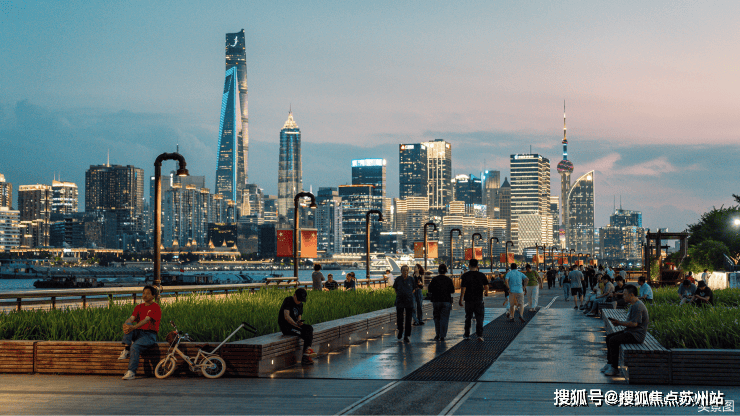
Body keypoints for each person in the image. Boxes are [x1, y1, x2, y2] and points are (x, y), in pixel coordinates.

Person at [602, 285, 649, 376]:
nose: (623, 296)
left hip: (636, 336)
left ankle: (614, 368)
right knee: (609, 337)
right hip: (631, 332)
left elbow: (634, 324)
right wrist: (618, 322)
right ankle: (609, 363)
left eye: (625, 294)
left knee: (613, 340)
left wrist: (619, 323)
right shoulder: (633, 305)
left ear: (631, 294)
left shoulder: (638, 306)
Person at [119, 285, 162, 380]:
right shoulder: (139, 307)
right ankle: (126, 349)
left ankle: (131, 372)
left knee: (135, 347)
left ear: (153, 296)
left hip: (149, 335)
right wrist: (126, 324)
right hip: (139, 333)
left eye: (148, 294)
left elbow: (146, 320)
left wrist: (133, 327)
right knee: (128, 324)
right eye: (143, 293)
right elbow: (131, 318)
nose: (144, 295)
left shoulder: (155, 307)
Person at [278, 288, 316, 365]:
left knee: (309, 328)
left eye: (301, 300)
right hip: (287, 327)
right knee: (305, 333)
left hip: (295, 326)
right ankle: (306, 355)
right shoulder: (288, 300)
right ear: (294, 295)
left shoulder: (300, 304)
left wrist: (299, 322)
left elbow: (299, 317)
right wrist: (296, 325)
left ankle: (307, 351)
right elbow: (286, 316)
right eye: (298, 300)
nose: (299, 302)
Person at [459, 259, 489, 341]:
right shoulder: (481, 275)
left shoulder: (465, 275)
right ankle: (479, 335)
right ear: (477, 266)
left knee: (468, 317)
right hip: (479, 300)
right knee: (479, 318)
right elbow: (486, 286)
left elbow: (463, 289)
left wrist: (460, 299)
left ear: (469, 266)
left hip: (468, 300)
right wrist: (486, 292)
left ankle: (467, 334)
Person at [428, 264, 455, 341]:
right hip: (446, 301)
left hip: (436, 301)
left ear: (438, 270)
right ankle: (442, 335)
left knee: (437, 318)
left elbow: (429, 290)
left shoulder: (434, 279)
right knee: (444, 319)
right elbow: (452, 291)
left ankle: (437, 334)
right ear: (446, 271)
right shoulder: (448, 280)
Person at [393, 265, 415, 342]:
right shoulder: (398, 279)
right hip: (400, 301)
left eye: (407, 270)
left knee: (408, 319)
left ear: (408, 271)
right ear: (401, 271)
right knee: (399, 318)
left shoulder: (411, 279)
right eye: (404, 270)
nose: (405, 272)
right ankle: (400, 330)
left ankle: (406, 335)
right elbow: (395, 289)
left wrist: (408, 294)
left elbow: (414, 289)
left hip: (409, 301)